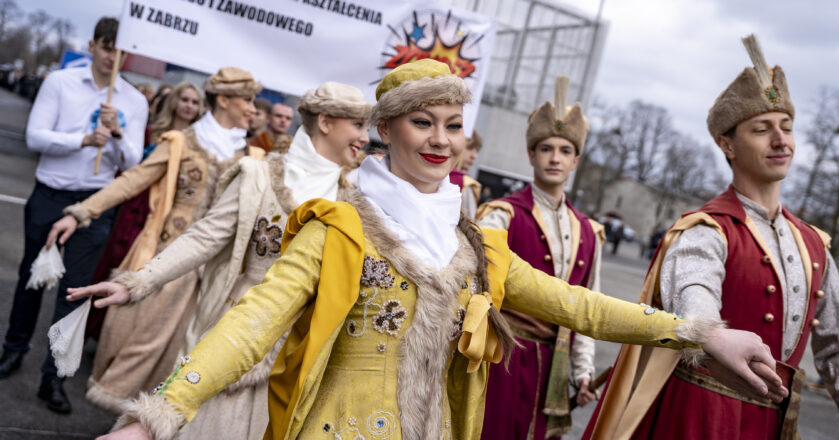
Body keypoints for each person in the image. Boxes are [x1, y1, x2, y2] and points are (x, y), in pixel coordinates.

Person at [99, 59, 785, 440]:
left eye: (453, 125)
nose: (440, 139)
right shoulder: (338, 227)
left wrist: (700, 332)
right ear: (387, 130)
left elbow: (580, 306)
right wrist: (157, 417)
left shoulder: (476, 245)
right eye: (422, 122)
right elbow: (251, 325)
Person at [583, 35, 839, 440]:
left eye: (787, 127)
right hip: (697, 419)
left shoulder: (814, 245)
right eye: (762, 129)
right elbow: (695, 297)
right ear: (726, 144)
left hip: (770, 426)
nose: (780, 140)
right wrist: (709, 332)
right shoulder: (705, 229)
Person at [67, 81, 371, 439]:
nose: (365, 138)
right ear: (325, 122)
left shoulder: (356, 198)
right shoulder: (258, 176)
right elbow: (204, 236)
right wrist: (138, 282)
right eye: (358, 125)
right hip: (233, 333)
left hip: (301, 343)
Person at [48, 67, 263, 414]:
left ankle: (159, 421)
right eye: (247, 100)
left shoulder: (253, 158)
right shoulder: (181, 142)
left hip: (216, 274)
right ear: (224, 100)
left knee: (191, 356)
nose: (253, 109)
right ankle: (130, 417)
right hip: (168, 260)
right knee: (144, 342)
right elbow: (133, 180)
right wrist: (81, 212)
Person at [0, 17, 148, 414]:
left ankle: (54, 376)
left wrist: (117, 133)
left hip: (95, 204)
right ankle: (14, 348)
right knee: (32, 278)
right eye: (106, 48)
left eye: (119, 51)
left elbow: (133, 163)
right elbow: (35, 136)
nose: (111, 57)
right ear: (92, 45)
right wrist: (82, 139)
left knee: (76, 291)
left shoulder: (134, 101)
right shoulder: (60, 83)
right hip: (50, 194)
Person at [476, 86, 602, 438]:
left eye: (565, 151)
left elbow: (588, 309)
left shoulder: (590, 233)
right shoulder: (500, 215)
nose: (555, 158)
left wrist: (583, 371)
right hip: (501, 360)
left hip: (552, 372)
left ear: (576, 161)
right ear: (531, 155)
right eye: (546, 149)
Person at [85, 82, 204, 337]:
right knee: (117, 259)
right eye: (185, 99)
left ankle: (119, 332)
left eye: (195, 102)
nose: (189, 106)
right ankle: (93, 324)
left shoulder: (200, 143)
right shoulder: (152, 132)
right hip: (138, 204)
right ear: (174, 101)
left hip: (168, 212)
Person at [449, 130, 483, 217]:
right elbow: (471, 221)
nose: (474, 156)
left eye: (477, 151)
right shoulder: (464, 183)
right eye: (469, 148)